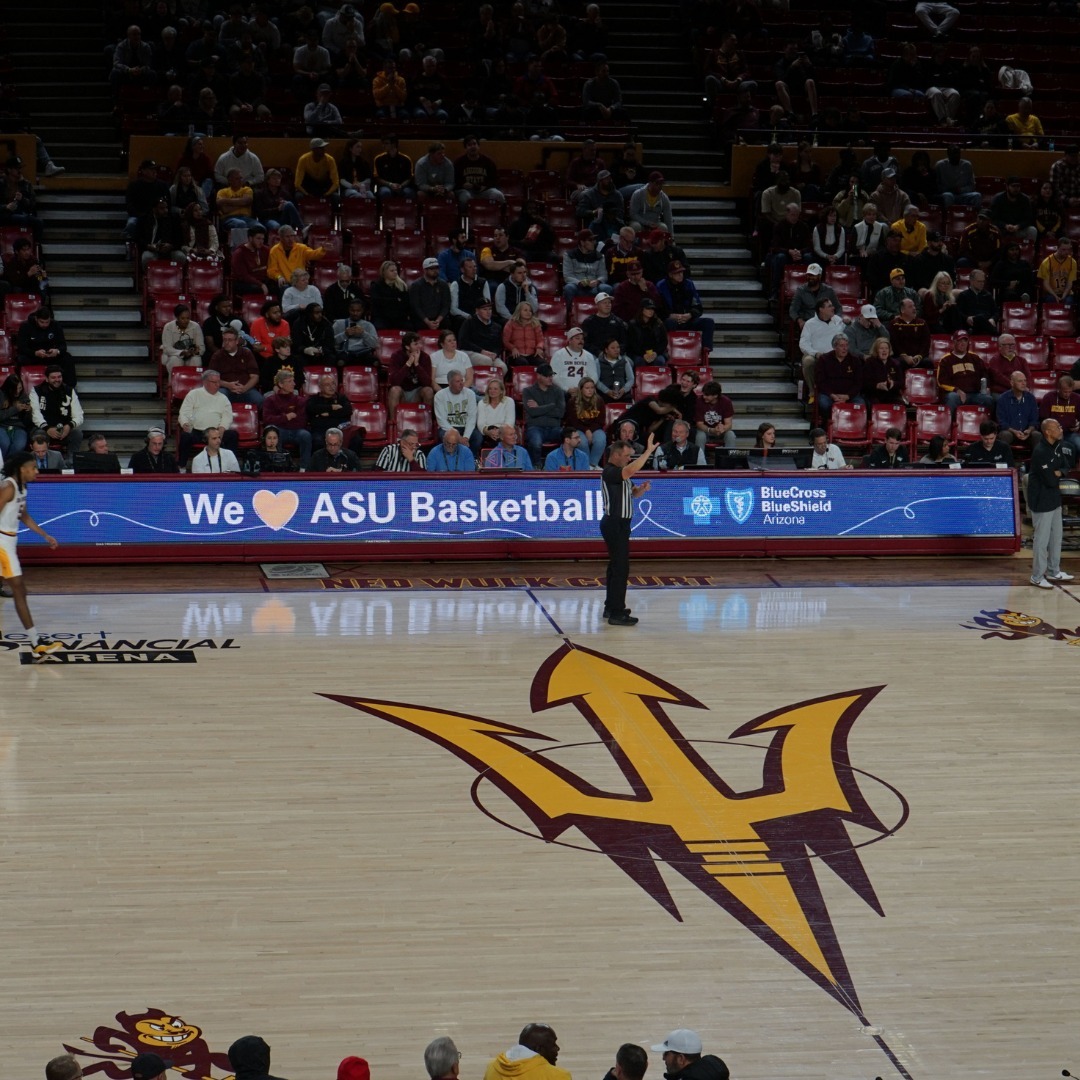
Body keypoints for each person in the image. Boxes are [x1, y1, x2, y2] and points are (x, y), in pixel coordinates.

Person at [0, 453, 61, 655]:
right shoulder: (8, 487)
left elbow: (23, 515)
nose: (37, 471)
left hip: (9, 540)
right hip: (2, 543)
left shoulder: (22, 487)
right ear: (22, 469)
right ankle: (36, 643)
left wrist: (45, 535)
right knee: (19, 590)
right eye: (33, 467)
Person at [600, 432, 658, 626]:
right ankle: (617, 613)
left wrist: (641, 489)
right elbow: (630, 471)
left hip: (621, 524)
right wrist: (648, 451)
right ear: (616, 455)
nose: (628, 459)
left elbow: (632, 492)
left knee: (615, 566)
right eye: (626, 456)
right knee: (621, 568)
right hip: (614, 522)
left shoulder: (621, 473)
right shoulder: (610, 471)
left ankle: (611, 606)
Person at [1028, 418, 1075, 588]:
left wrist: (1059, 473)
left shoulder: (1057, 447)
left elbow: (1066, 466)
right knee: (1042, 540)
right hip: (1041, 499)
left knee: (1056, 537)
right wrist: (1055, 474)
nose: (1061, 429)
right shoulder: (1041, 451)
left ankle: (1054, 570)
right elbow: (1048, 479)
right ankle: (1037, 576)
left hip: (1054, 498)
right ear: (1048, 431)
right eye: (1057, 427)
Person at [177, 369, 238, 466]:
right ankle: (182, 467)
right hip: (198, 432)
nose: (217, 385)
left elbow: (227, 416)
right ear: (205, 382)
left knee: (232, 435)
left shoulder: (223, 398)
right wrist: (185, 423)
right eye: (214, 382)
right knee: (185, 436)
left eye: (218, 382)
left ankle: (231, 466)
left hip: (216, 432)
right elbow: (184, 412)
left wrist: (222, 428)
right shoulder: (194, 394)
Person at [30, 365, 83, 464]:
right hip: (43, 429)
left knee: (77, 434)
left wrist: (69, 426)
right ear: (47, 379)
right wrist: (47, 428)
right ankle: (41, 464)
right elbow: (35, 414)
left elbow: (79, 415)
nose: (57, 380)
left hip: (64, 429)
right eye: (53, 377)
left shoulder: (69, 390)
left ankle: (71, 462)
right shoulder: (37, 391)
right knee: (39, 435)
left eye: (59, 377)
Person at [262, 368, 313, 468]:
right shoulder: (270, 400)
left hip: (297, 431)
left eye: (293, 381)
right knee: (275, 434)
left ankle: (304, 468)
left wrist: (280, 419)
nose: (293, 384)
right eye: (289, 381)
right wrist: (286, 417)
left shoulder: (300, 400)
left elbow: (302, 421)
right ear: (280, 384)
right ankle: (278, 466)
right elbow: (267, 420)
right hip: (280, 431)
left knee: (306, 435)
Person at [16, 308, 77, 388]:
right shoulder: (26, 326)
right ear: (36, 319)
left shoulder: (56, 325)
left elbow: (63, 346)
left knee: (67, 358)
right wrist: (34, 353)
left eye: (47, 322)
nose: (45, 325)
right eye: (42, 322)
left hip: (51, 357)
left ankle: (69, 388)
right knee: (20, 359)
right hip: (34, 356)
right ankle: (19, 387)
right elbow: (21, 347)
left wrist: (57, 351)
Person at [937, 330, 992, 414]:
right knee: (952, 397)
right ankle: (949, 425)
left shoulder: (975, 357)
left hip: (975, 394)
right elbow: (941, 381)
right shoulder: (945, 360)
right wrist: (957, 390)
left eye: (965, 340)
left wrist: (986, 387)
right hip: (956, 394)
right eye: (959, 340)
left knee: (988, 399)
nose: (963, 343)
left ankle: (988, 425)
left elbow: (984, 374)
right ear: (954, 342)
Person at [522, 364, 566, 466]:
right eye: (547, 376)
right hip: (535, 427)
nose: (550, 378)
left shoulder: (558, 391)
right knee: (535, 442)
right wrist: (551, 405)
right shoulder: (528, 391)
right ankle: (536, 467)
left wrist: (539, 407)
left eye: (551, 375)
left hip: (554, 428)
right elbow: (532, 412)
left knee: (569, 437)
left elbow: (560, 413)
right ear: (538, 376)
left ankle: (563, 465)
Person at [386, 332, 434, 421]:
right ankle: (394, 424)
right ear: (407, 347)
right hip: (402, 393)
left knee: (428, 391)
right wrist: (408, 364)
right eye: (416, 344)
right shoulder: (396, 356)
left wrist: (416, 364)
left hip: (417, 393)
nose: (419, 346)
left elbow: (427, 382)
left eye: (419, 343)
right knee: (394, 390)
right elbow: (394, 382)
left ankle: (427, 423)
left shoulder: (425, 357)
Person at [1039, 374, 1080, 454]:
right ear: (1059, 389)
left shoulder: (1077, 398)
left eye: (1070, 392)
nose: (1067, 394)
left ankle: (1075, 466)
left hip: (1070, 433)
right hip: (1053, 434)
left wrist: (1078, 425)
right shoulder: (1049, 397)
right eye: (1065, 392)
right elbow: (1043, 419)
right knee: (1061, 448)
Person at [161, 303, 206, 375]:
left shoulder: (195, 326)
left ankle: (193, 383)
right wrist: (181, 353)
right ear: (177, 317)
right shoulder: (168, 327)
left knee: (196, 360)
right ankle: (174, 384)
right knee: (175, 360)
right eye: (182, 318)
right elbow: (167, 349)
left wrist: (196, 352)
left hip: (191, 355)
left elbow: (201, 348)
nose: (186, 321)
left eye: (188, 318)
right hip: (173, 355)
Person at [433, 369, 477, 441]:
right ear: (449, 383)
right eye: (457, 381)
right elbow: (441, 420)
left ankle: (469, 452)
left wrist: (466, 437)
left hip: (465, 427)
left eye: (462, 380)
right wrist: (458, 437)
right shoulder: (440, 395)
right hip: (448, 427)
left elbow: (472, 417)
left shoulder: (470, 394)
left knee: (477, 437)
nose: (461, 383)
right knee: (443, 435)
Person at [1037, 236, 1077, 306]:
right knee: (1051, 300)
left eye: (1068, 250)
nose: (1067, 252)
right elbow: (1046, 284)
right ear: (1057, 248)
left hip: (1066, 293)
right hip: (1051, 293)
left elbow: (1070, 283)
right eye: (1063, 250)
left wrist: (1064, 295)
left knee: (1069, 302)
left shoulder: (1072, 262)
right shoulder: (1047, 262)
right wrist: (1055, 295)